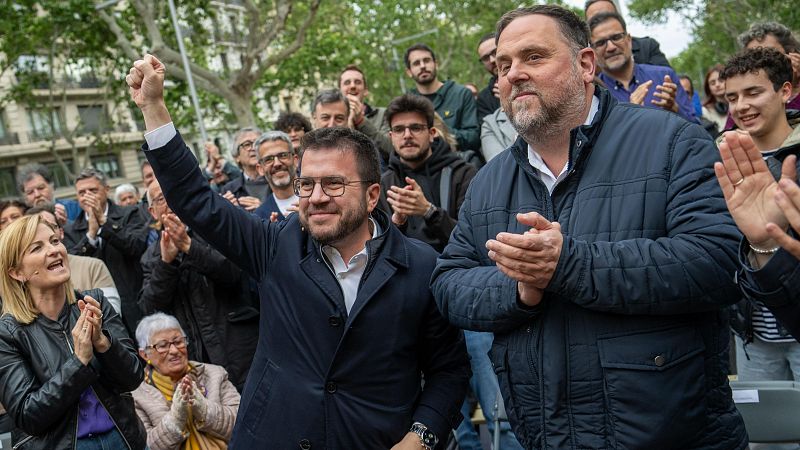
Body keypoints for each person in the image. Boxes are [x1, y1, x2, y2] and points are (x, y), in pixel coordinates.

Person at [431, 5, 747, 449]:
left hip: (675, 435)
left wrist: (569, 264)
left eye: (534, 57)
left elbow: (720, 262)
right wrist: (521, 290)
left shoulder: (674, 142)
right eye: (503, 66)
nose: (514, 74)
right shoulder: (488, 181)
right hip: (546, 436)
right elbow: (450, 284)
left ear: (585, 65)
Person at [127, 52, 469, 449]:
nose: (316, 198)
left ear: (373, 194)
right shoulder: (275, 246)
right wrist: (153, 106)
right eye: (306, 185)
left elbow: (449, 371)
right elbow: (195, 199)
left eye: (334, 184)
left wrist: (419, 438)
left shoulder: (421, 265)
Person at [0, 214, 146, 449]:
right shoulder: (7, 333)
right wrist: (78, 361)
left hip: (123, 438)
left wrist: (103, 344)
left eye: (55, 241)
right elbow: (28, 416)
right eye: (37, 248)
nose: (54, 250)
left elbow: (133, 378)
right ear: (16, 272)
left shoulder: (93, 302)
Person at [716, 48, 800, 379]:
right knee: (766, 428)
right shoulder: (720, 159)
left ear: (785, 91)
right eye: (732, 97)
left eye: (753, 92)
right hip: (753, 332)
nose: (742, 106)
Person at [139, 178, 258, 390]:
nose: (170, 202)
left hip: (240, 346)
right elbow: (151, 307)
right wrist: (167, 263)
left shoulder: (213, 229)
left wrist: (189, 246)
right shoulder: (151, 256)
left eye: (174, 193)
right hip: (194, 357)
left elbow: (233, 273)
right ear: (153, 212)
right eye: (161, 198)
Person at [379, 94, 476, 253]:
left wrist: (429, 212)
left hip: (455, 270)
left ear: (432, 133)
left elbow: (472, 239)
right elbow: (379, 250)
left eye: (416, 128)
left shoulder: (463, 174)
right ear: (391, 136)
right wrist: (397, 223)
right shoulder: (384, 184)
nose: (407, 135)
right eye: (399, 129)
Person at [132, 313, 239, 450]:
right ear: (144, 354)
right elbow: (146, 446)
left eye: (178, 342)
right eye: (163, 345)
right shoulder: (137, 396)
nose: (174, 350)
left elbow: (242, 421)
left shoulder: (214, 374)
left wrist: (204, 409)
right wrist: (175, 419)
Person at [63, 168, 148, 335]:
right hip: (94, 311)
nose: (87, 195)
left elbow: (136, 247)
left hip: (136, 300)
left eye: (93, 190)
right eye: (82, 192)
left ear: (106, 189)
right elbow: (72, 265)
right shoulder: (70, 230)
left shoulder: (130, 213)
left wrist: (104, 222)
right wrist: (91, 235)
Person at [590, 12, 697, 122]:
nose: (611, 47)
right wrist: (629, 117)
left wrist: (675, 110)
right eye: (601, 43)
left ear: (629, 40)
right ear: (592, 51)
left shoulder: (665, 77)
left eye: (616, 37)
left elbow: (698, 129)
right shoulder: (594, 96)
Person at [25, 204, 122, 315]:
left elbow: (113, 318)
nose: (43, 231)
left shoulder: (93, 267)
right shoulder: (22, 284)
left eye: (50, 226)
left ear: (61, 232)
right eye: (36, 247)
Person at [405, 43, 481, 151]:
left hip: (459, 160)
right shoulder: (407, 103)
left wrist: (443, 132)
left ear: (436, 64)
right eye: (416, 63)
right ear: (409, 72)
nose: (422, 66)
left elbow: (473, 138)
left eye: (426, 60)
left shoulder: (461, 94)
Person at [583, 0, 671, 67]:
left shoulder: (648, 46)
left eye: (608, 16)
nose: (611, 47)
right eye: (595, 19)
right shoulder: (585, 64)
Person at [339, 64, 394, 164]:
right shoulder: (332, 118)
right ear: (340, 91)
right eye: (347, 82)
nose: (352, 86)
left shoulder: (383, 114)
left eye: (358, 82)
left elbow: (391, 149)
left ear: (366, 91)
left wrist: (361, 121)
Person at [252, 131, 299, 223]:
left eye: (283, 155)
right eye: (268, 159)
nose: (277, 163)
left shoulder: (319, 196)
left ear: (295, 160)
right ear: (260, 169)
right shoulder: (260, 218)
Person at [219, 127, 269, 211]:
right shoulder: (229, 190)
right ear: (237, 157)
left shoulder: (278, 179)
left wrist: (262, 210)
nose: (253, 148)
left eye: (257, 143)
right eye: (247, 144)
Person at [16, 163, 81, 225]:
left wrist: (66, 223)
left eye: (41, 188)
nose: (37, 195)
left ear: (52, 187)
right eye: (30, 192)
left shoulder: (73, 208)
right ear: (25, 197)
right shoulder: (24, 220)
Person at [475, 32, 501, 123]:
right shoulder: (483, 100)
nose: (492, 60)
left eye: (495, 52)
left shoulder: (533, 76)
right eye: (486, 58)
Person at [703, 64, 729, 132]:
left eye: (721, 80)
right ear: (708, 88)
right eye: (712, 83)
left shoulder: (739, 105)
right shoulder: (705, 111)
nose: (717, 85)